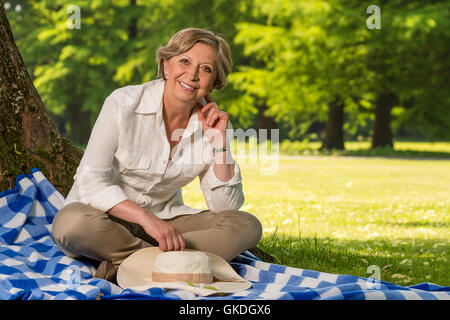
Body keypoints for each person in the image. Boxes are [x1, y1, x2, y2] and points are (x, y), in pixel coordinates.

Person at [51, 28, 262, 280]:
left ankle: (130, 264)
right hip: (106, 220)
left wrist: (220, 143)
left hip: (168, 222)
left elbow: (225, 206)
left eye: (205, 69)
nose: (192, 75)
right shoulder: (123, 103)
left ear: (214, 82)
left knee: (246, 225)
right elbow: (90, 181)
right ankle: (172, 264)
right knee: (70, 224)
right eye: (184, 61)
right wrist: (146, 219)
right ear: (166, 66)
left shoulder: (209, 124)